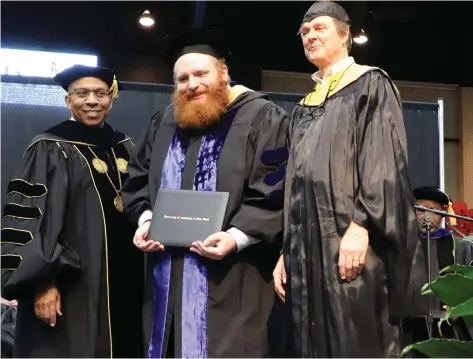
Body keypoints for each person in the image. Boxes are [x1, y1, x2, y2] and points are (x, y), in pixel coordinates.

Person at [121, 28, 290, 357]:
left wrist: (237, 237)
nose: (191, 84)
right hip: (166, 280)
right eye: (182, 78)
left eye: (201, 74)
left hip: (234, 279)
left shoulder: (262, 117)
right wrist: (146, 221)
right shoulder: (164, 122)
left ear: (223, 72)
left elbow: (276, 187)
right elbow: (137, 179)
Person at [272, 1, 419, 357]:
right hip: (305, 248)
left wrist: (362, 225)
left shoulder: (370, 83)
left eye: (319, 28)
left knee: (352, 334)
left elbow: (384, 162)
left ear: (345, 34)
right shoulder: (305, 104)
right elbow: (295, 183)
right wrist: (285, 250)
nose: (309, 36)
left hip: (349, 238)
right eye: (305, 32)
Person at [0, 65, 144, 357]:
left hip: (129, 283)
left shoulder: (126, 147)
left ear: (111, 100)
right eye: (82, 93)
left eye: (100, 93)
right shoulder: (49, 147)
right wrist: (42, 283)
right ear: (68, 100)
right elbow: (27, 219)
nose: (92, 100)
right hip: (73, 287)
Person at [402, 187, 473, 348]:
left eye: (434, 210)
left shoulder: (459, 246)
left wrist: (460, 308)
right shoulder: (402, 246)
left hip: (447, 323)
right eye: (421, 210)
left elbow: (469, 283)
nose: (427, 217)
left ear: (443, 214)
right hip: (407, 323)